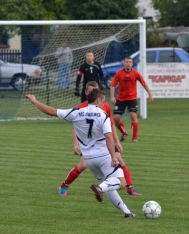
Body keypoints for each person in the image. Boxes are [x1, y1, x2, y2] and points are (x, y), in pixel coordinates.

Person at [25, 89, 136, 218]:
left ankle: (126, 212)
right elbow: (108, 137)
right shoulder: (102, 114)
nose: (103, 104)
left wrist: (35, 101)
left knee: (109, 184)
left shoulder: (77, 112)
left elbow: (51, 111)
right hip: (104, 156)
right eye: (103, 101)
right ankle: (100, 189)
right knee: (121, 182)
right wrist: (113, 156)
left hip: (89, 159)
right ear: (98, 100)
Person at [59, 81, 141, 197]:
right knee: (83, 165)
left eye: (96, 90)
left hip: (105, 142)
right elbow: (74, 127)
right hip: (89, 144)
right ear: (86, 92)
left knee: (119, 159)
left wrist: (117, 142)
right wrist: (75, 144)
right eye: (91, 90)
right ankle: (64, 185)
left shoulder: (105, 105)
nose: (94, 92)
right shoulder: (81, 108)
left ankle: (130, 188)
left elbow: (111, 125)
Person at [110, 56, 154, 142]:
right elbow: (113, 85)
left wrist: (150, 94)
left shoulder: (136, 73)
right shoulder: (119, 73)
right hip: (120, 99)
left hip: (132, 98)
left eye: (130, 62)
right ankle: (124, 133)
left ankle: (134, 138)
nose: (128, 64)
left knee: (133, 115)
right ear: (124, 63)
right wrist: (112, 97)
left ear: (132, 64)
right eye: (126, 62)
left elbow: (144, 83)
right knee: (116, 118)